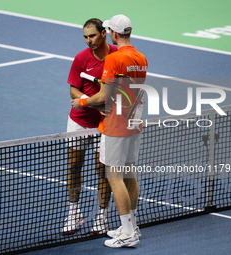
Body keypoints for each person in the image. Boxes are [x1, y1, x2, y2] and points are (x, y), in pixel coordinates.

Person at [71, 14, 148, 248]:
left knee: (114, 177)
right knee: (128, 174)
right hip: (134, 122)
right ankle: (132, 226)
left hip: (115, 125)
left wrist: (82, 103)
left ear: (113, 33)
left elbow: (104, 95)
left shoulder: (114, 59)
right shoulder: (141, 58)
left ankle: (127, 233)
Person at [62, 18, 118, 235]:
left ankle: (102, 217)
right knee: (74, 166)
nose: (88, 41)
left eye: (92, 36)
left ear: (103, 33)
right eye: (85, 37)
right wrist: (94, 104)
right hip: (79, 121)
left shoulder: (116, 56)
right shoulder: (81, 58)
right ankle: (74, 212)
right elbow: (73, 91)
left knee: (101, 170)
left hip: (105, 125)